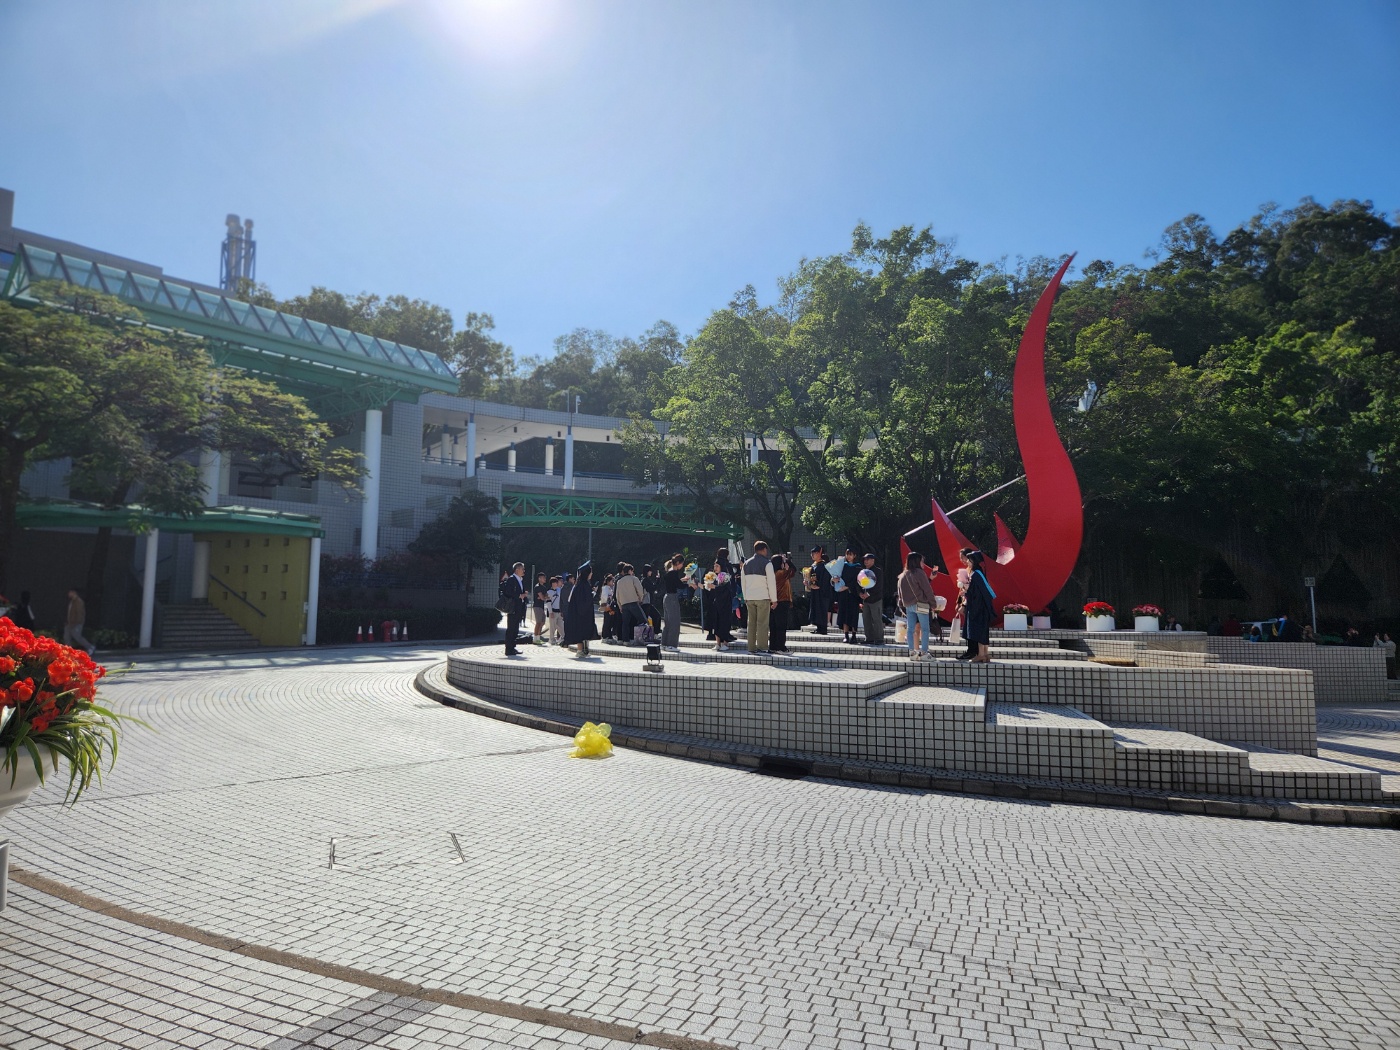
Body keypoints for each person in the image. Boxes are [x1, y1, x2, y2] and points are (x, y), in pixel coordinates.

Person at [897, 551, 940, 660]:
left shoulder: (902, 575)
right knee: (925, 629)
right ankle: (924, 653)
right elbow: (927, 589)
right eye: (921, 561)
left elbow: (900, 593)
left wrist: (902, 605)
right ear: (917, 561)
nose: (923, 563)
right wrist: (933, 604)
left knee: (910, 629)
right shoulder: (919, 573)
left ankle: (912, 652)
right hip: (921, 604)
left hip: (908, 606)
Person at [741, 541, 778, 653]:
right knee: (762, 623)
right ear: (764, 549)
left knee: (751, 623)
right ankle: (762, 647)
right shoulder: (767, 563)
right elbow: (771, 583)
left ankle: (751, 647)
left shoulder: (746, 564)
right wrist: (774, 599)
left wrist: (745, 597)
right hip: (763, 597)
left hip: (749, 597)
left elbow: (743, 583)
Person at [959, 550, 995, 663]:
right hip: (982, 607)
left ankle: (980, 655)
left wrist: (966, 591)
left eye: (969, 560)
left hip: (978, 608)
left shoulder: (976, 575)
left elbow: (976, 594)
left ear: (974, 561)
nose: (967, 562)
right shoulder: (980, 573)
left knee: (979, 631)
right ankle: (985, 654)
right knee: (983, 631)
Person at [563, 562, 600, 658]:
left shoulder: (580, 584)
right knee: (581, 631)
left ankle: (584, 650)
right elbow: (584, 600)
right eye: (590, 572)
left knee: (582, 631)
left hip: (580, 612)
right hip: (582, 613)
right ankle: (580, 650)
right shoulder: (583, 585)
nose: (591, 574)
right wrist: (592, 594)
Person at [498, 564, 528, 657]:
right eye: (522, 569)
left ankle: (512, 647)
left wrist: (524, 595)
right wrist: (519, 595)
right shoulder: (511, 579)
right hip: (513, 607)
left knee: (515, 628)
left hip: (519, 607)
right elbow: (508, 592)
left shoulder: (520, 580)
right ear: (517, 570)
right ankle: (508, 649)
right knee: (511, 628)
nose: (524, 571)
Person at [614, 562, 647, 645]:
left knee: (625, 623)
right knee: (643, 620)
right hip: (633, 602)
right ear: (629, 571)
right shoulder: (634, 579)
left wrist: (620, 606)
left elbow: (617, 595)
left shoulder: (619, 581)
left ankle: (626, 641)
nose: (632, 572)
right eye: (632, 571)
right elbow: (640, 590)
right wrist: (640, 599)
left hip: (624, 604)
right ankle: (642, 638)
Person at [834, 548, 861, 645]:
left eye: (851, 554)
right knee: (844, 613)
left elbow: (858, 581)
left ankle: (854, 635)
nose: (848, 556)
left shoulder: (858, 567)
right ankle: (846, 635)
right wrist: (834, 579)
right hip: (843, 594)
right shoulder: (842, 566)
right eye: (847, 554)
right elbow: (837, 576)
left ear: (854, 556)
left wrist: (848, 586)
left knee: (853, 614)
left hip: (853, 594)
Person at [770, 554, 796, 654]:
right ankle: (781, 647)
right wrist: (787, 560)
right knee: (781, 626)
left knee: (773, 626)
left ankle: (773, 646)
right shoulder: (781, 573)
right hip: (782, 601)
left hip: (772, 601)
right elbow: (793, 570)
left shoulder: (771, 574)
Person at [661, 554, 688, 650]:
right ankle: (671, 645)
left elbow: (674, 583)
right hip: (672, 598)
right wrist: (689, 584)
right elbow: (679, 585)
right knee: (674, 622)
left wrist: (683, 580)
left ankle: (664, 644)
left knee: (668, 623)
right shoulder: (674, 573)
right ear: (677, 563)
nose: (682, 566)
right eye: (682, 563)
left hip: (667, 597)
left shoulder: (669, 572)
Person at [712, 549, 736, 651]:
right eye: (714, 566)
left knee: (724, 621)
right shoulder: (716, 576)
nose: (715, 568)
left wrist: (713, 587)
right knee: (716, 622)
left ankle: (725, 643)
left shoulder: (725, 575)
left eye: (717, 566)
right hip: (718, 602)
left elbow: (723, 588)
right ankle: (718, 643)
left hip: (725, 602)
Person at [806, 546, 832, 635]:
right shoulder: (814, 565)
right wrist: (808, 583)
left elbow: (826, 579)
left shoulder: (824, 565)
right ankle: (818, 627)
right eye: (812, 553)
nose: (812, 555)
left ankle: (823, 628)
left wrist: (819, 586)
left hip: (822, 592)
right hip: (815, 591)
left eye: (814, 553)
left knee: (822, 608)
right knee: (816, 608)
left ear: (819, 553)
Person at [858, 552, 882, 646]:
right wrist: (860, 593)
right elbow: (859, 583)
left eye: (868, 559)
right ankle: (869, 638)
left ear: (873, 560)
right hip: (865, 600)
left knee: (876, 619)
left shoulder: (878, 571)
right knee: (866, 619)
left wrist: (868, 594)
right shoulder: (863, 572)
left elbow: (879, 586)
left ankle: (879, 639)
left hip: (875, 599)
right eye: (864, 559)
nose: (866, 561)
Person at [64, 588, 96, 656]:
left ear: (74, 593)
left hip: (76, 623)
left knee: (77, 636)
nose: (68, 594)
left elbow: (80, 613)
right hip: (70, 623)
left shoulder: (78, 602)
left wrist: (77, 622)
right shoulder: (72, 601)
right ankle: (68, 652)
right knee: (67, 636)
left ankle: (90, 647)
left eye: (70, 592)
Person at [598, 573, 618, 641]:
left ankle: (609, 635)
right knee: (607, 621)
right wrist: (607, 605)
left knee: (610, 621)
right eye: (612, 581)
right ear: (608, 581)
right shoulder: (605, 588)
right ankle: (605, 636)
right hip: (607, 607)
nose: (613, 582)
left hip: (610, 607)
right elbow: (604, 598)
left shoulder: (610, 588)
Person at [531, 572, 550, 645]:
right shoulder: (537, 587)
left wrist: (543, 597)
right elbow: (542, 597)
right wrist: (543, 597)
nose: (545, 579)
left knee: (542, 622)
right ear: (539, 579)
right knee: (538, 622)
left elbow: (546, 596)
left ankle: (538, 638)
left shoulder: (544, 587)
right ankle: (535, 638)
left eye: (545, 578)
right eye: (543, 578)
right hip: (537, 606)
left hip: (542, 606)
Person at [547, 576, 565, 644]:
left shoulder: (559, 590)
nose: (555, 584)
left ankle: (563, 637)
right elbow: (548, 602)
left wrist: (562, 611)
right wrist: (550, 612)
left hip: (559, 611)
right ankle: (551, 639)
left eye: (556, 582)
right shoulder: (549, 592)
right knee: (552, 627)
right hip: (553, 611)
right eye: (553, 583)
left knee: (561, 626)